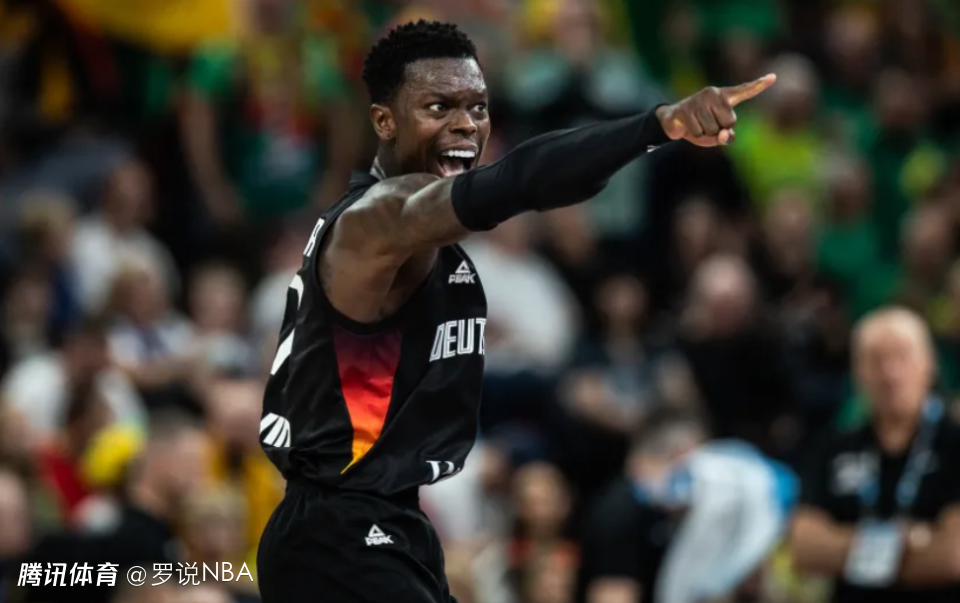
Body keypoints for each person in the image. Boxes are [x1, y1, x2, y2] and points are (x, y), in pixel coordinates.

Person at [256, 19, 776, 603]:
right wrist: (658, 125)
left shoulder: (427, 242)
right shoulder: (377, 219)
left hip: (387, 520)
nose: (465, 124)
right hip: (338, 531)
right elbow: (519, 180)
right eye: (438, 106)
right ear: (384, 121)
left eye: (477, 107)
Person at [790, 307, 960, 602]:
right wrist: (910, 544)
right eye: (875, 360)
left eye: (901, 356)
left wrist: (844, 547)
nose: (890, 374)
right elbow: (804, 548)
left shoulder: (953, 442)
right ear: (857, 372)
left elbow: (952, 557)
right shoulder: (834, 445)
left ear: (929, 364)